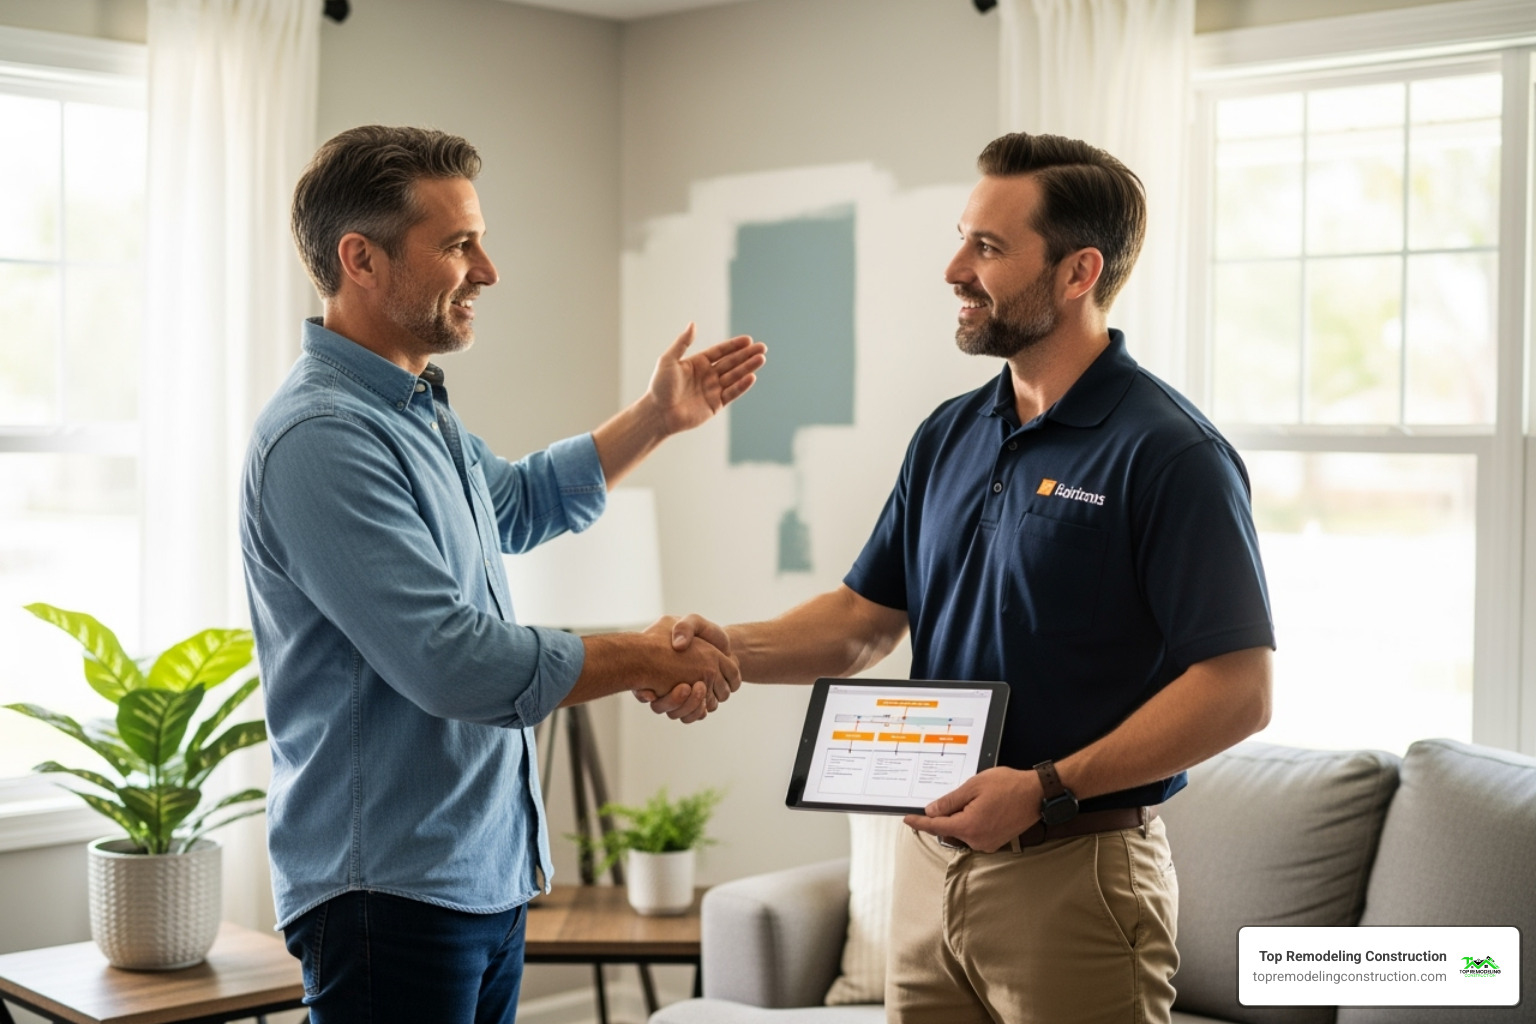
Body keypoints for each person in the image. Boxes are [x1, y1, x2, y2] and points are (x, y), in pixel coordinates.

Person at [662, 132, 1275, 1023]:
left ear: (1078, 273)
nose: (954, 268)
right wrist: (728, 649)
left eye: (987, 247)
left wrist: (1046, 787)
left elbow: (1239, 690)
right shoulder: (949, 433)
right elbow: (865, 618)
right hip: (926, 867)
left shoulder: (1171, 452)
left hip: (1075, 874)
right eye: (962, 237)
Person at [240, 124, 765, 1023]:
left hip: (480, 879)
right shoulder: (321, 437)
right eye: (457, 245)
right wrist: (645, 657)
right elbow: (454, 662)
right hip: (388, 896)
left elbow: (516, 504)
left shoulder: (416, 413)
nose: (488, 269)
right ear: (359, 258)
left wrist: (655, 416)